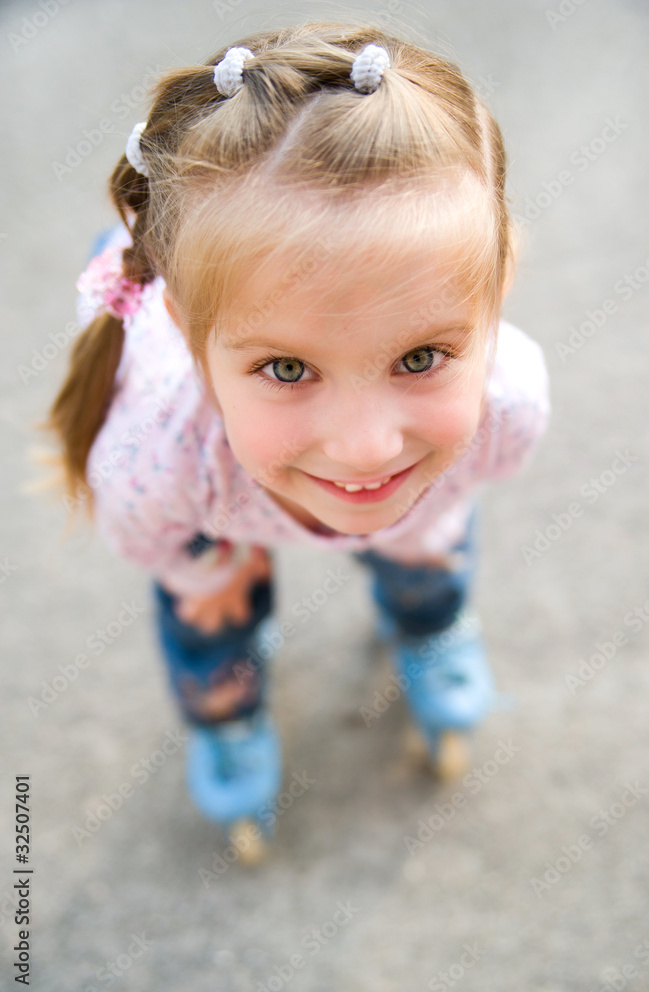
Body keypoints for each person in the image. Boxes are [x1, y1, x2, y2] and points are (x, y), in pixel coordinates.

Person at [43, 21, 550, 858]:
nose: (365, 448)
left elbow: (448, 474)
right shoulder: (157, 456)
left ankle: (426, 623)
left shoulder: (506, 402)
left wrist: (419, 531)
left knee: (429, 550)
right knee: (210, 617)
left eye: (419, 357)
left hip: (418, 508)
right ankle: (226, 712)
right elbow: (144, 534)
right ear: (189, 337)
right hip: (215, 515)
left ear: (493, 298)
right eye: (286, 369)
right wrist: (204, 571)